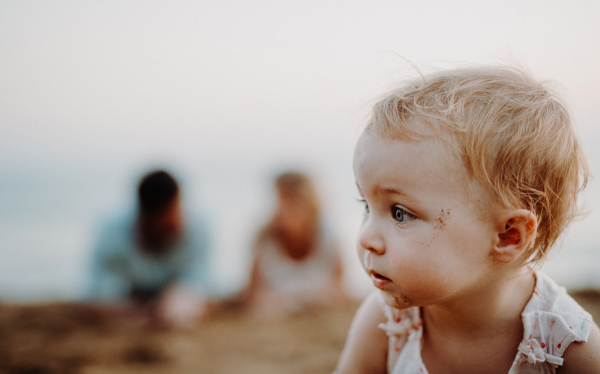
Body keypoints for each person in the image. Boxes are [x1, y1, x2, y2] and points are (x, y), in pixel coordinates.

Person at [335, 66, 600, 373]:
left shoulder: (568, 347)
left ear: (508, 236)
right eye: (366, 205)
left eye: (399, 213)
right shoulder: (387, 322)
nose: (366, 238)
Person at [88, 170, 211, 327]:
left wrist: (178, 300)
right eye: (167, 222)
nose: (178, 222)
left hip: (169, 300)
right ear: (144, 215)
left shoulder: (197, 228)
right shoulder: (112, 234)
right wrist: (138, 310)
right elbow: (97, 296)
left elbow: (199, 283)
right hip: (129, 303)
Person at [242, 171, 347, 317]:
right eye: (278, 200)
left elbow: (341, 290)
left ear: (305, 202)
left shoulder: (327, 237)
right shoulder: (266, 239)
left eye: (287, 200)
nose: (280, 207)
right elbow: (251, 296)